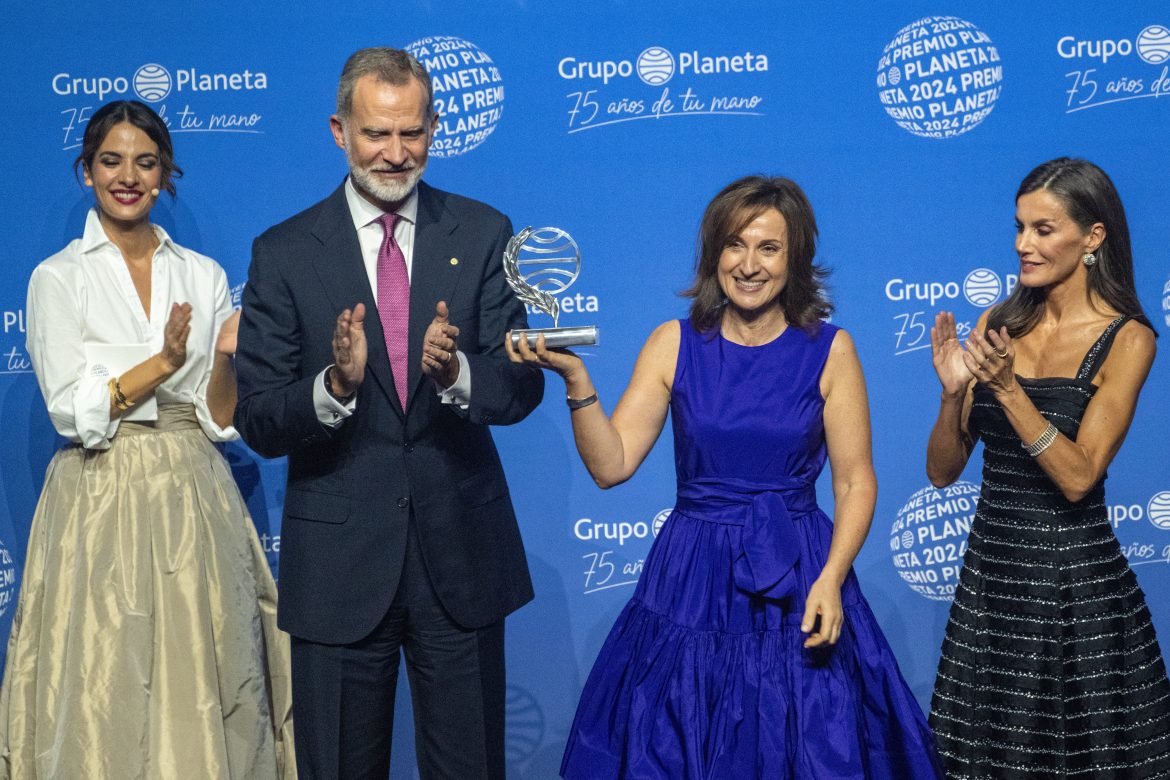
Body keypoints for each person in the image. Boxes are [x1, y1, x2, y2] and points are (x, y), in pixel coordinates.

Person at [510, 175, 941, 778]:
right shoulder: (672, 343)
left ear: (796, 260)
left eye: (768, 247)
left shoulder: (832, 349)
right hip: (692, 574)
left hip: (799, 571)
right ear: (714, 254)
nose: (749, 264)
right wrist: (579, 384)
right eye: (735, 245)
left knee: (807, 745)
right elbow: (611, 466)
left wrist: (832, 578)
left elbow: (854, 483)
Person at [233, 47, 544, 780]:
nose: (396, 154)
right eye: (377, 134)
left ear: (435, 127)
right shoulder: (282, 253)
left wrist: (458, 371)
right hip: (339, 572)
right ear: (339, 131)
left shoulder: (484, 231)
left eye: (413, 133)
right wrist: (334, 386)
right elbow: (258, 418)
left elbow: (519, 387)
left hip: (461, 561)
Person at [0, 100, 294, 778]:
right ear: (86, 172)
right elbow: (72, 412)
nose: (127, 176)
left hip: (195, 488)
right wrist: (159, 364)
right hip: (98, 494)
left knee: (206, 674)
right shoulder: (57, 277)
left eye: (145, 162)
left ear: (165, 175)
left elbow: (219, 417)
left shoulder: (204, 274)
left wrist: (222, 358)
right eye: (111, 161)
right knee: (104, 685)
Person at [927, 157, 1170, 778]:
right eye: (1019, 227)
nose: (1021, 244)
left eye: (1042, 229)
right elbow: (942, 473)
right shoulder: (998, 324)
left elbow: (1079, 475)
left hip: (1075, 595)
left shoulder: (1127, 337)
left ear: (1093, 238)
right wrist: (955, 394)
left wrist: (1010, 393)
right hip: (991, 587)